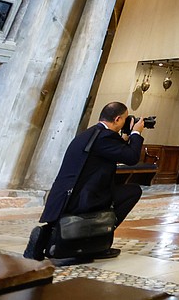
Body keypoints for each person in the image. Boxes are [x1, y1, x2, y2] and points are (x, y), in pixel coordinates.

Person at [24, 102, 146, 261]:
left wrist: (124, 137)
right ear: (117, 119)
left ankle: (44, 240)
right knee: (133, 191)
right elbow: (131, 158)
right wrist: (136, 133)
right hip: (84, 198)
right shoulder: (104, 137)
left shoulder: (90, 134)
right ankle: (98, 237)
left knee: (112, 197)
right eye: (124, 119)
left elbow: (111, 152)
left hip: (64, 196)